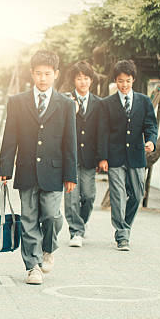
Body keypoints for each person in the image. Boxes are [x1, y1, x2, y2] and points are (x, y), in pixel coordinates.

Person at [0, 50, 77, 285]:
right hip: (26, 169)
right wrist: (5, 168)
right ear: (32, 74)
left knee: (52, 216)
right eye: (39, 73)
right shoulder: (17, 101)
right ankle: (32, 266)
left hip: (54, 170)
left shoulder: (65, 104)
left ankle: (48, 248)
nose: (43, 78)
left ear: (56, 75)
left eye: (48, 74)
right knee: (28, 219)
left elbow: (70, 141)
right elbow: (10, 136)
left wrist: (70, 174)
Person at [98, 60, 157, 251]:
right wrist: (103, 157)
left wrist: (151, 141)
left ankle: (125, 226)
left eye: (128, 81)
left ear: (134, 80)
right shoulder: (106, 104)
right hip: (114, 157)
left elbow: (150, 125)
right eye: (121, 81)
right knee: (117, 195)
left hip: (137, 156)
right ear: (116, 81)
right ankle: (122, 236)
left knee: (137, 194)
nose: (124, 85)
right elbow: (103, 132)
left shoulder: (144, 101)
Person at [63, 61, 104, 248]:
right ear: (74, 80)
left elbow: (102, 132)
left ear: (91, 80)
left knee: (88, 196)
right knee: (72, 196)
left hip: (89, 157)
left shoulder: (99, 103)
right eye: (79, 78)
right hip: (69, 156)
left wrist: (102, 157)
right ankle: (76, 231)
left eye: (86, 78)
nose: (82, 82)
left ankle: (81, 223)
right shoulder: (66, 101)